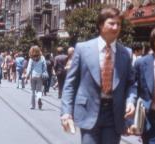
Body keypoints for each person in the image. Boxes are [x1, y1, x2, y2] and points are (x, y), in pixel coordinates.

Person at [60, 6, 135, 144]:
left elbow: (131, 83)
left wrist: (130, 101)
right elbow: (70, 84)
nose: (116, 27)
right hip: (88, 110)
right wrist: (66, 111)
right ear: (101, 25)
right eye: (111, 23)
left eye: (118, 24)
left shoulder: (126, 53)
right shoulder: (82, 49)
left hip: (114, 113)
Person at [24, 46, 47, 110]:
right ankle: (39, 98)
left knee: (33, 91)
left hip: (33, 76)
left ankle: (32, 105)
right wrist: (44, 72)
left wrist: (26, 77)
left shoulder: (31, 59)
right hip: (39, 76)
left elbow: (29, 68)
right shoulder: (42, 58)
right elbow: (45, 67)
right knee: (39, 90)